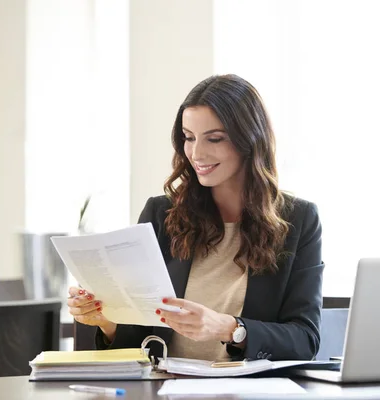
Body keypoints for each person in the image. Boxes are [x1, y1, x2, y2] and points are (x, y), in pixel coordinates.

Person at [67, 74, 324, 361]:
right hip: (165, 388)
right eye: (189, 138)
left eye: (214, 138)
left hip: (249, 391)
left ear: (250, 139)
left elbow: (305, 339)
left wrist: (229, 328)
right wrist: (107, 321)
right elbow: (138, 337)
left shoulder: (298, 220)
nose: (197, 153)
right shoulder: (161, 215)